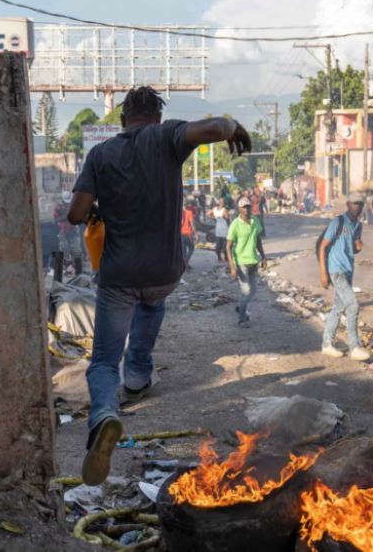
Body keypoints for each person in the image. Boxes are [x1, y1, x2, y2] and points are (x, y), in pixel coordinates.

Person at [67, 86, 251, 486]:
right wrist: (233, 127)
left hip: (118, 275)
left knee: (102, 360)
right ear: (155, 115)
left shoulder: (100, 154)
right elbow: (217, 126)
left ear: (122, 120)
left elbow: (76, 213)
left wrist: (98, 206)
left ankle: (104, 414)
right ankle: (137, 377)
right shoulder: (167, 136)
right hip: (165, 271)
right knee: (152, 304)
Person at [318, 193, 370, 361]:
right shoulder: (338, 222)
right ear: (348, 205)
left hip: (348, 270)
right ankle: (354, 347)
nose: (357, 207)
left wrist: (358, 248)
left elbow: (352, 249)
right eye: (354, 204)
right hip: (336, 270)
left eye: (360, 204)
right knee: (353, 305)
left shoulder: (358, 226)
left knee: (338, 308)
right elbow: (323, 247)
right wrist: (323, 273)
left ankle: (327, 344)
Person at [227, 197, 266, 327]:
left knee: (254, 290)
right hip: (241, 262)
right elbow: (228, 246)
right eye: (244, 207)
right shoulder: (235, 224)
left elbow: (258, 240)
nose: (247, 208)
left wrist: (264, 257)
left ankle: (240, 306)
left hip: (253, 261)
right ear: (239, 209)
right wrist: (232, 267)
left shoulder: (255, 220)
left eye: (248, 206)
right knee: (247, 291)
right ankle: (242, 319)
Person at [180, 198, 197, 266]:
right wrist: (196, 233)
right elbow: (192, 224)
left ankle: (184, 263)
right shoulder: (189, 212)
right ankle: (185, 263)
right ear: (187, 204)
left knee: (183, 250)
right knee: (191, 248)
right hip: (188, 234)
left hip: (180, 234)